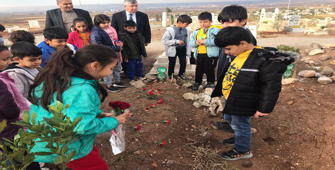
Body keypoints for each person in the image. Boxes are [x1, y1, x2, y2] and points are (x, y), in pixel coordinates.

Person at [28, 44, 132, 170]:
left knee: (91, 151)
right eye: (111, 68)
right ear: (95, 65)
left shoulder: (62, 78)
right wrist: (115, 121)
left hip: (51, 138)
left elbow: (67, 108)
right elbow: (83, 127)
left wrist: (99, 114)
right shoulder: (82, 89)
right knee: (97, 167)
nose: (111, 72)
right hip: (66, 145)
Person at [212, 27, 298, 160]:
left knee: (240, 125)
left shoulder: (265, 60)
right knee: (229, 119)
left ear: (243, 43)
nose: (226, 52)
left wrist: (263, 109)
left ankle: (242, 150)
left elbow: (271, 87)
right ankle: (237, 137)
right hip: (232, 97)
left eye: (228, 49)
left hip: (245, 101)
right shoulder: (240, 54)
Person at [213, 4, 258, 132]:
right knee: (229, 104)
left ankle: (239, 136)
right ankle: (230, 124)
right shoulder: (228, 37)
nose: (225, 25)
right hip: (228, 80)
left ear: (243, 21)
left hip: (238, 84)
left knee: (237, 110)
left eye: (230, 22)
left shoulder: (246, 41)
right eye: (222, 22)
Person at [0, 45, 42, 170]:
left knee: (11, 157)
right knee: (23, 159)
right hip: (9, 128)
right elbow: (9, 106)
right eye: (5, 59)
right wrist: (19, 113)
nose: (9, 62)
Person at [111, 0, 151, 77]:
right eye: (132, 6)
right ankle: (126, 72)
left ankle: (137, 71)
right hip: (124, 40)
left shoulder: (143, 16)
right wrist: (117, 41)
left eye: (136, 5)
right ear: (125, 6)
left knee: (138, 55)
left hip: (138, 39)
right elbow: (114, 29)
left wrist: (147, 40)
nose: (134, 8)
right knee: (126, 55)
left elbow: (147, 28)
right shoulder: (117, 16)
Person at [90, 14, 124, 92]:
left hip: (115, 52)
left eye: (107, 22)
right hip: (105, 54)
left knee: (117, 66)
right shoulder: (95, 33)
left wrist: (121, 43)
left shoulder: (111, 29)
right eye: (103, 23)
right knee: (107, 69)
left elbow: (116, 38)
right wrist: (117, 48)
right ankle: (108, 85)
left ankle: (117, 81)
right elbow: (99, 46)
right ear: (97, 23)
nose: (106, 24)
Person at [189, 12, 221, 90]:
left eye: (205, 22)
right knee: (199, 69)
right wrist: (196, 43)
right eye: (200, 22)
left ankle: (211, 82)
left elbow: (218, 41)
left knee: (209, 68)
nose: (203, 24)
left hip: (211, 54)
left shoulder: (216, 30)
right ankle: (197, 82)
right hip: (200, 53)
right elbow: (191, 42)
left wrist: (205, 42)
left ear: (211, 21)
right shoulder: (197, 31)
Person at [161, 15, 192, 80]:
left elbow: (187, 40)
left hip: (182, 49)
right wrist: (176, 41)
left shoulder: (186, 30)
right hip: (173, 49)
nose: (187, 26)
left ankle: (181, 74)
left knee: (183, 62)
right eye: (186, 24)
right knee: (172, 62)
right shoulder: (170, 31)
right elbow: (164, 41)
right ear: (180, 22)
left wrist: (189, 49)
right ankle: (170, 75)